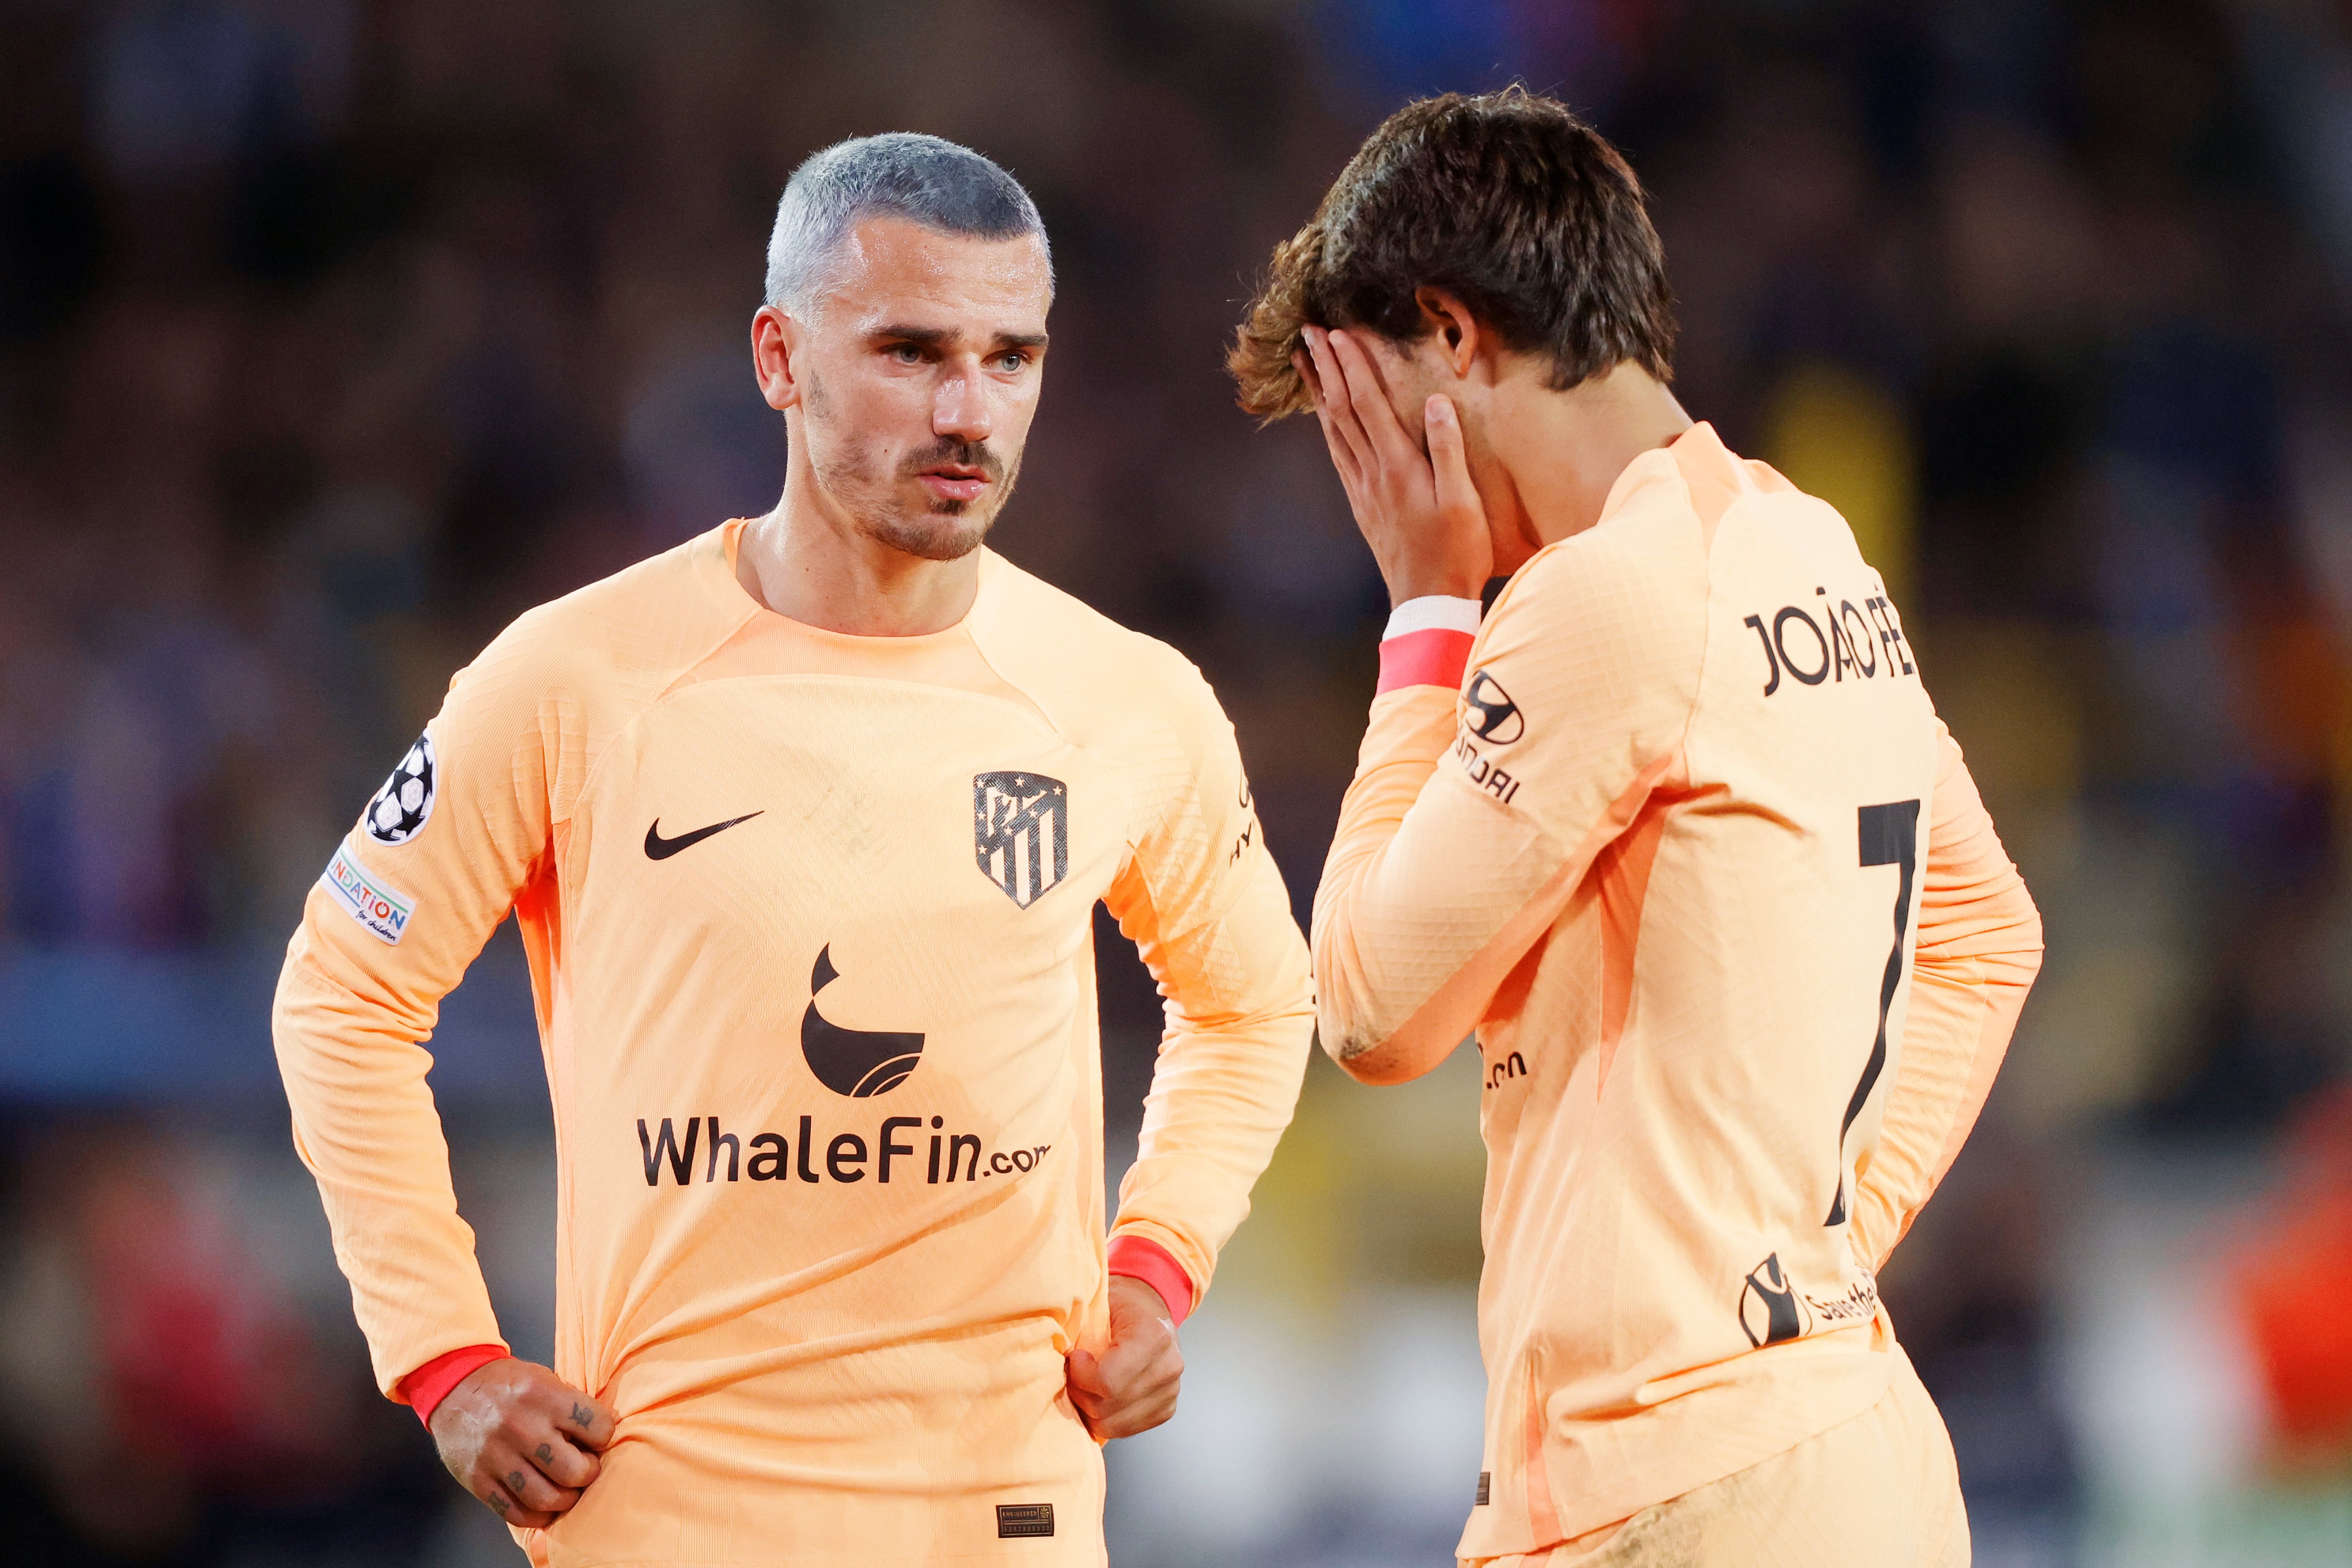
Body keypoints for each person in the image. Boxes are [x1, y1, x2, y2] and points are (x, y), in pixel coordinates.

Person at [274, 132, 1313, 1565]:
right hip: (667, 1516)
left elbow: (1255, 1001)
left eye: (1011, 358)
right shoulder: (573, 680)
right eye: (909, 351)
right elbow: (341, 994)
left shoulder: (1125, 700)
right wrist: (444, 1361)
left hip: (1000, 1518)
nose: (968, 409)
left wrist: (1157, 1268)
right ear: (777, 357)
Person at [1230, 88, 2042, 1567]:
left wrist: (1423, 612)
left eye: (1367, 427)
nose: (1377, 485)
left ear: (1454, 339)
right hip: (1848, 1454)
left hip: (1662, 1486)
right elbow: (1991, 932)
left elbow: (1367, 1007)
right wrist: (1826, 1255)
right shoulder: (1803, 546)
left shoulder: (1603, 596)